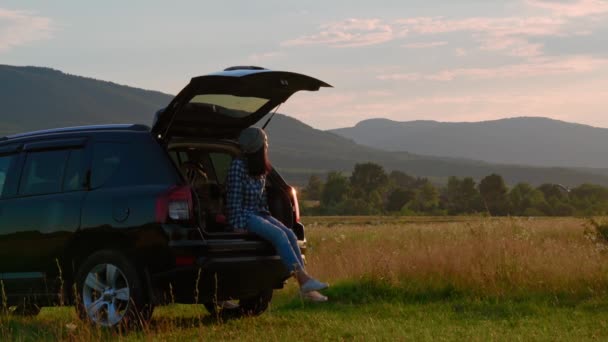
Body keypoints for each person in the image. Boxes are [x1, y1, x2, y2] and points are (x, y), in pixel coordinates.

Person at [226, 127, 328, 302]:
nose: (267, 148)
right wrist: (238, 225)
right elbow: (233, 200)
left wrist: (267, 217)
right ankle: (304, 282)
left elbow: (261, 199)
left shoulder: (260, 169)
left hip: (259, 213)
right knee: (279, 235)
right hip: (245, 215)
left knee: (289, 233)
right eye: (265, 145)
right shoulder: (238, 166)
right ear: (258, 147)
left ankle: (306, 286)